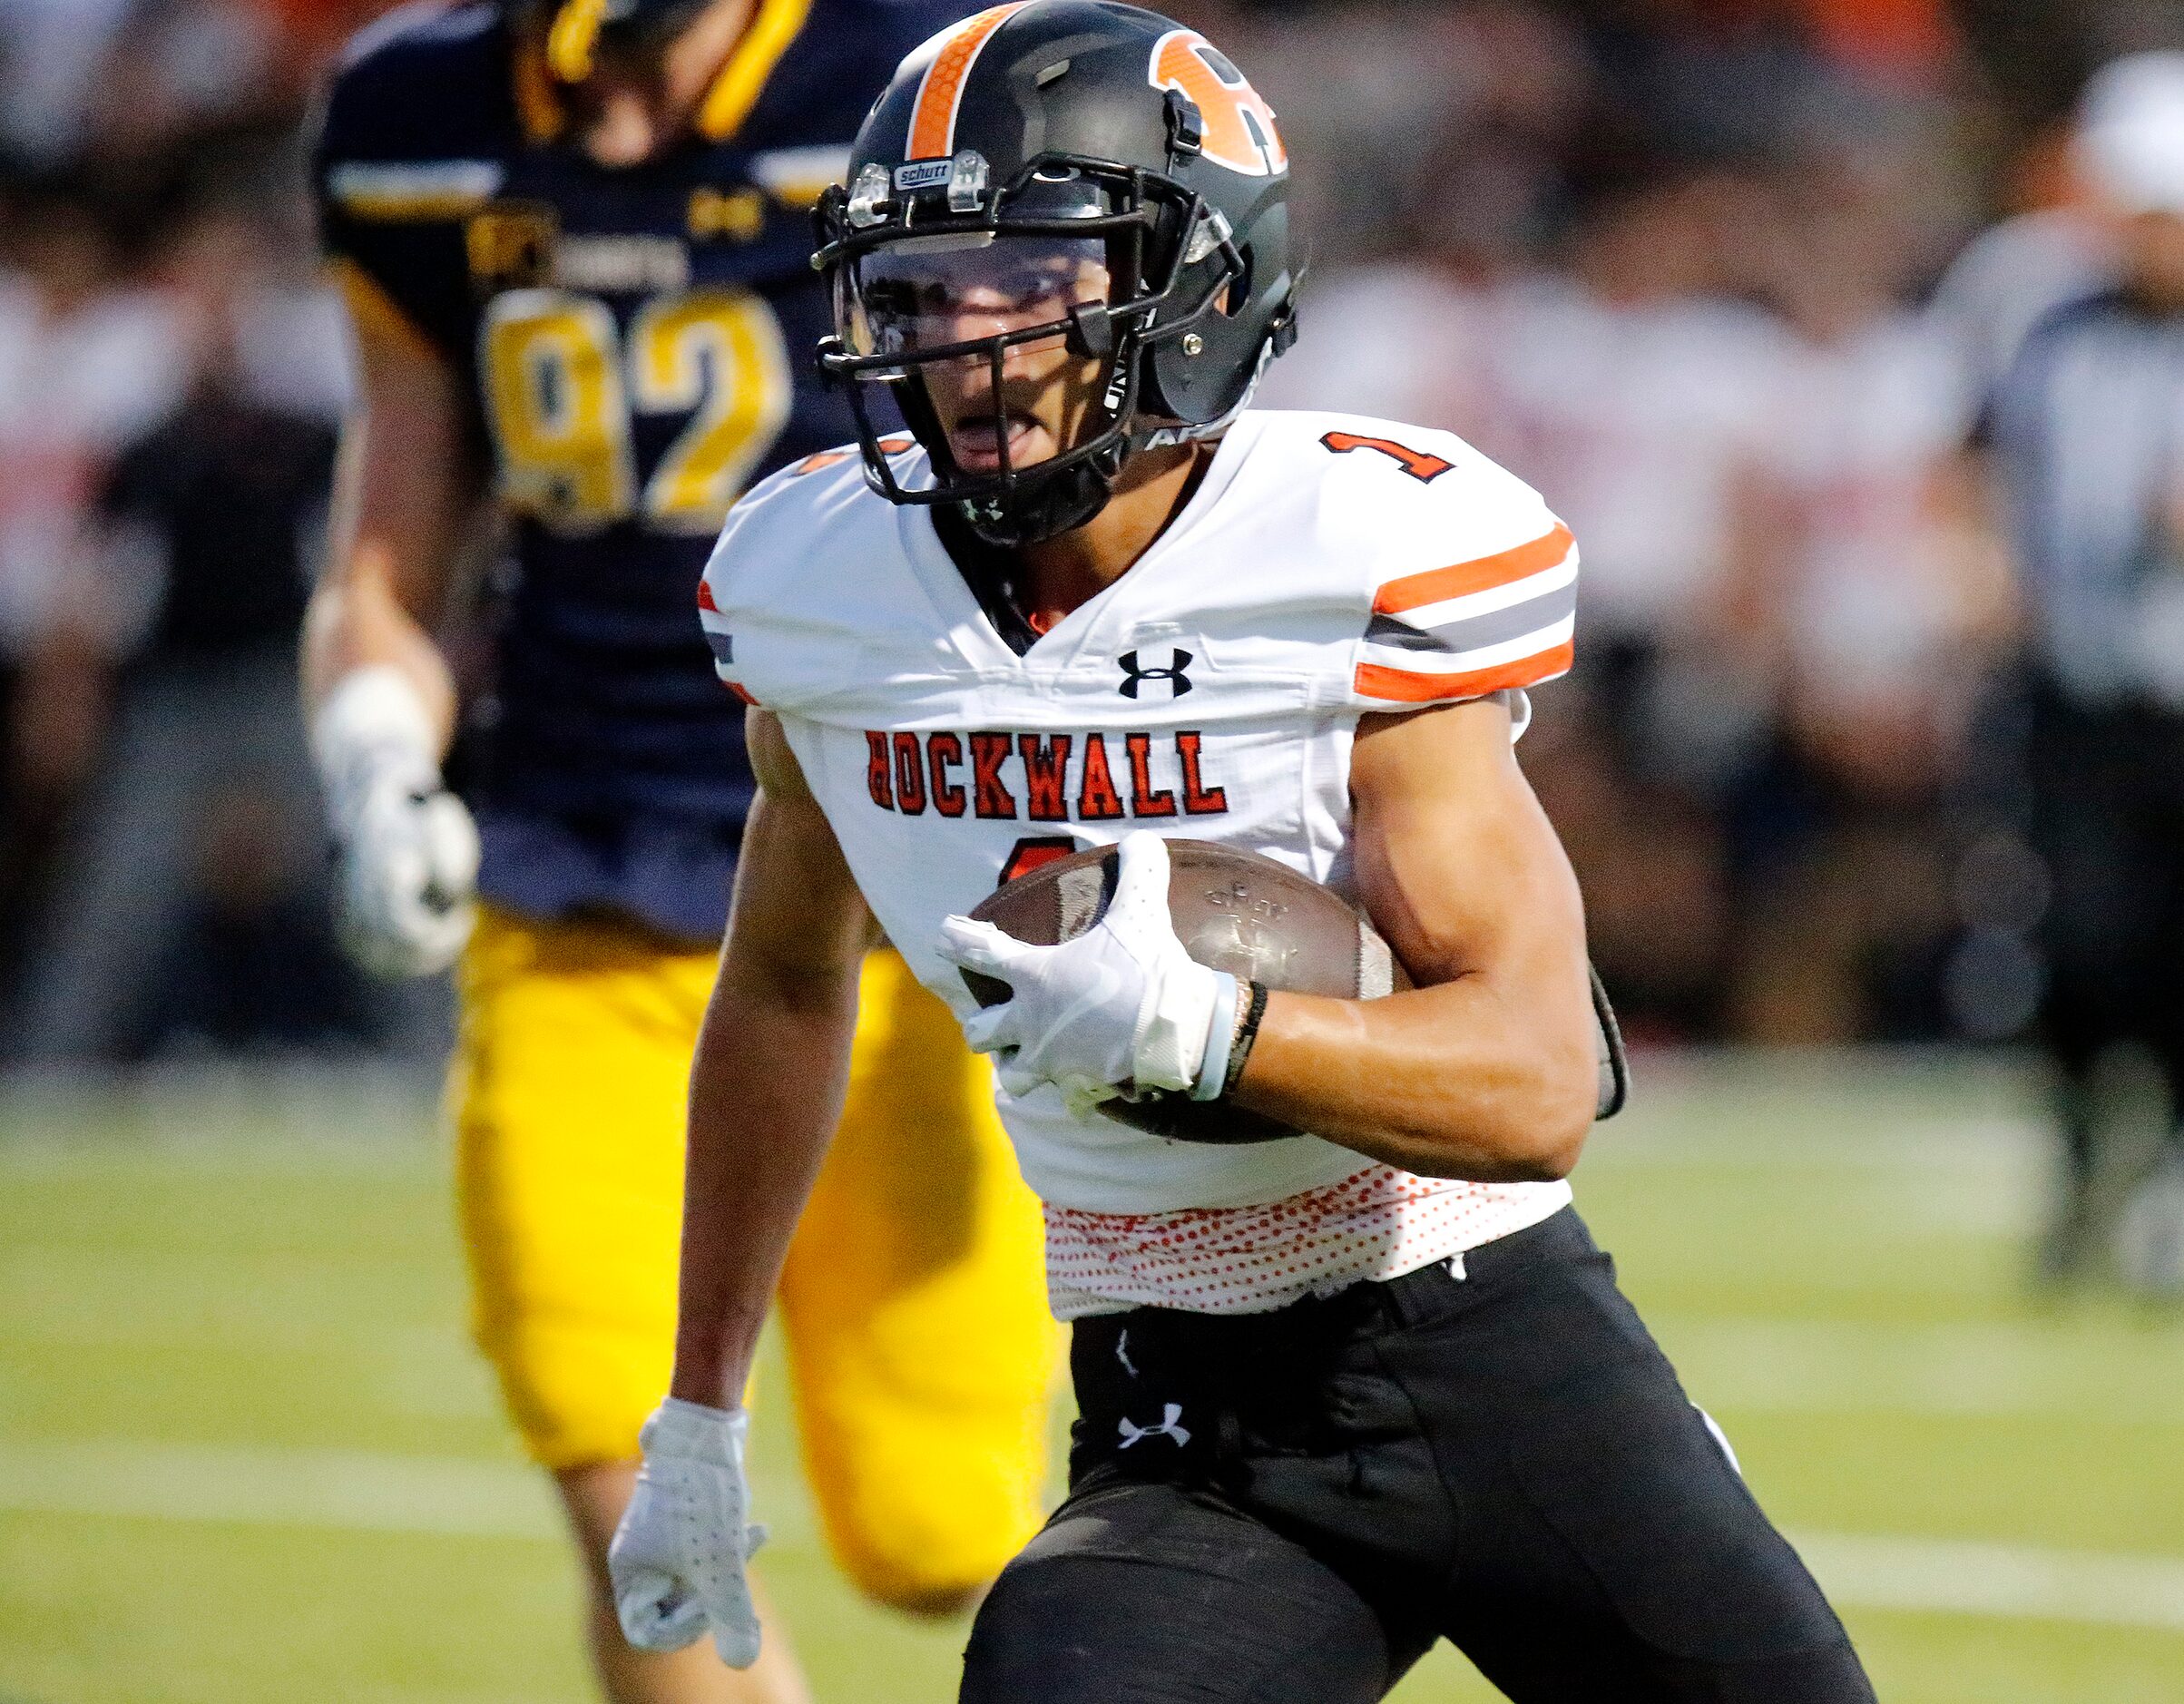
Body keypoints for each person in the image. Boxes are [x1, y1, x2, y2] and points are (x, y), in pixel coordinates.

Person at [606, 5, 1878, 1699]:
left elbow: (1537, 1077)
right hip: (1181, 1408)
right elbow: (776, 985)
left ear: (1199, 281)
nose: (960, 334)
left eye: (1028, 271)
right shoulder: (819, 587)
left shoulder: (1347, 551)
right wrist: (699, 1400)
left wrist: (1210, 1029)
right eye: (920, 282)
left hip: (1492, 1343)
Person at [303, 3, 1061, 1699]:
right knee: (618, 1459)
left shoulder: (900, 82)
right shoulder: (414, 115)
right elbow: (400, 507)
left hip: (885, 882)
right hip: (581, 870)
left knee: (937, 1533)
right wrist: (373, 745)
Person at [1980, 51, 2184, 1295]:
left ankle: (2158, 1175)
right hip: (2076, 694)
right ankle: (2079, 1176)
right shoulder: (2048, 321)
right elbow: (1977, 464)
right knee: (2075, 951)